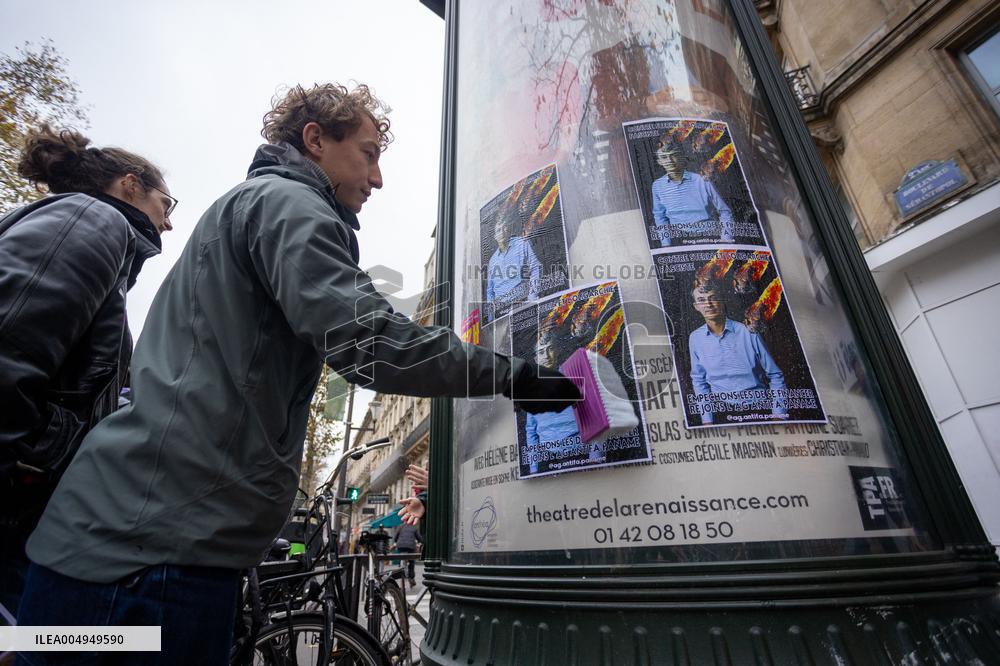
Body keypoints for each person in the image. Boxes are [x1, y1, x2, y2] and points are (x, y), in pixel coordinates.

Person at [16, 83, 577, 665]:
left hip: (105, 552)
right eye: (368, 154)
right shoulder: (289, 204)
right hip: (152, 561)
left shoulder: (244, 206)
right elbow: (368, 338)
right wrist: (516, 376)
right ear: (315, 141)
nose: (378, 178)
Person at [0, 125, 173, 620]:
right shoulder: (90, 219)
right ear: (130, 184)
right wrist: (30, 462)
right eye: (168, 203)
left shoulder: (96, 233)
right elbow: (12, 338)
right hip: (16, 499)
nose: (168, 222)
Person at [687, 281, 786, 425]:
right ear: (696, 307)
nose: (708, 304)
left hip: (759, 410)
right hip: (721, 413)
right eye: (701, 300)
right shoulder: (695, 338)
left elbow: (775, 375)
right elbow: (699, 381)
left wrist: (779, 415)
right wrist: (707, 421)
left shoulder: (748, 332)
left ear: (722, 300)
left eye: (713, 298)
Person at [650, 137, 733, 246]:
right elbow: (660, 216)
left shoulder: (702, 180)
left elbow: (725, 211)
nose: (669, 161)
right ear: (659, 162)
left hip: (709, 237)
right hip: (679, 240)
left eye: (673, 155)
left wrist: (726, 239)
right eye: (664, 157)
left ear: (680, 157)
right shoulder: (657, 186)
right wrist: (666, 244)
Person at [523, 329, 582, 474]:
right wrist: (534, 467)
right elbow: (531, 431)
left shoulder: (575, 376)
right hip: (547, 459)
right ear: (536, 359)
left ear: (557, 350)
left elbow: (593, 416)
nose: (547, 356)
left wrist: (595, 454)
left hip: (579, 454)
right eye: (541, 352)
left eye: (550, 349)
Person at [485, 204, 541, 314]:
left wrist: (532, 297)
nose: (503, 231)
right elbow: (490, 291)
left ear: (508, 228)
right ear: (495, 237)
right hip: (502, 312)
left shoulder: (522, 243)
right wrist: (491, 317)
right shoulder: (492, 261)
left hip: (523, 304)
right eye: (498, 230)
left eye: (504, 227)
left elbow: (536, 268)